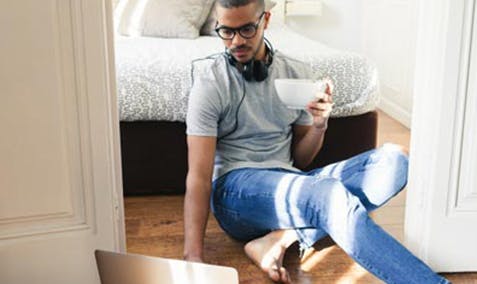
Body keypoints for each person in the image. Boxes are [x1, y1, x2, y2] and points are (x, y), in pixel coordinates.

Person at [183, 0, 450, 283]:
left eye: (247, 29)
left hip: (290, 180)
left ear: (266, 20)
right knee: (329, 196)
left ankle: (281, 238)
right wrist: (194, 257)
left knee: (396, 161)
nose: (236, 41)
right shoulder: (210, 82)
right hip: (235, 192)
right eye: (226, 31)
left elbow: (301, 160)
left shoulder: (296, 73)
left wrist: (319, 125)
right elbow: (199, 177)